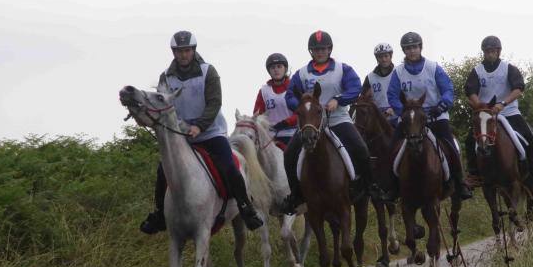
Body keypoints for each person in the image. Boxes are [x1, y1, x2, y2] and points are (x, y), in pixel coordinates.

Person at [140, 30, 264, 234]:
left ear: (193, 50)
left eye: (187, 50)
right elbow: (165, 106)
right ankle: (160, 214)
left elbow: (214, 102)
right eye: (179, 51)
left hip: (210, 132)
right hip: (182, 135)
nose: (183, 55)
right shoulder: (166, 77)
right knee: (163, 170)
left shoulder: (208, 72)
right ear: (174, 52)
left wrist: (200, 126)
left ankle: (245, 208)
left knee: (230, 166)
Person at [280, 30, 384, 214]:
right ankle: (295, 195)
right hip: (310, 123)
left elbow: (355, 87)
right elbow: (290, 95)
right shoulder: (301, 73)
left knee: (361, 149)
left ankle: (370, 186)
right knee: (288, 155)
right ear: (311, 51)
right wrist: (305, 107)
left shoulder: (343, 69)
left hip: (337, 119)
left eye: (323, 48)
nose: (320, 52)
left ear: (329, 49)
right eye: (316, 49)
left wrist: (339, 99)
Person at [386, 31, 473, 200]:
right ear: (404, 50)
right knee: (392, 147)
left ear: (420, 48)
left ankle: (459, 183)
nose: (412, 51)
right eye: (408, 48)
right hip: (411, 119)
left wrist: (442, 105)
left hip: (435, 116)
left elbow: (447, 89)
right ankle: (391, 187)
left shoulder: (433, 67)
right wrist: (402, 111)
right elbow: (392, 95)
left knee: (451, 145)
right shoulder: (398, 72)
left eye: (415, 47)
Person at [463, 35, 533, 182]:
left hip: (509, 111)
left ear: (498, 52)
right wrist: (481, 106)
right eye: (487, 51)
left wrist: (502, 103)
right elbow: (471, 92)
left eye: (493, 51)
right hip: (486, 115)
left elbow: (518, 89)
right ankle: (474, 173)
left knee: (528, 136)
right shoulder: (477, 71)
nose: (490, 54)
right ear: (483, 52)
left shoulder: (509, 68)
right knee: (470, 140)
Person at [253, 53, 297, 147]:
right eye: (273, 68)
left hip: (291, 133)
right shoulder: (264, 91)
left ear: (285, 69)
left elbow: (301, 113)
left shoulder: (294, 87)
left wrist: (286, 122)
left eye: (279, 66)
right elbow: (257, 114)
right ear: (269, 71)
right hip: (270, 136)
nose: (276, 70)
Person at [362, 42, 397, 124]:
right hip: (378, 118)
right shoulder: (370, 77)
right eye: (380, 57)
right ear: (376, 58)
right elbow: (363, 98)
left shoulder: (399, 72)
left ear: (390, 56)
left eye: (386, 56)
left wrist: (394, 108)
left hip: (397, 115)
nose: (384, 59)